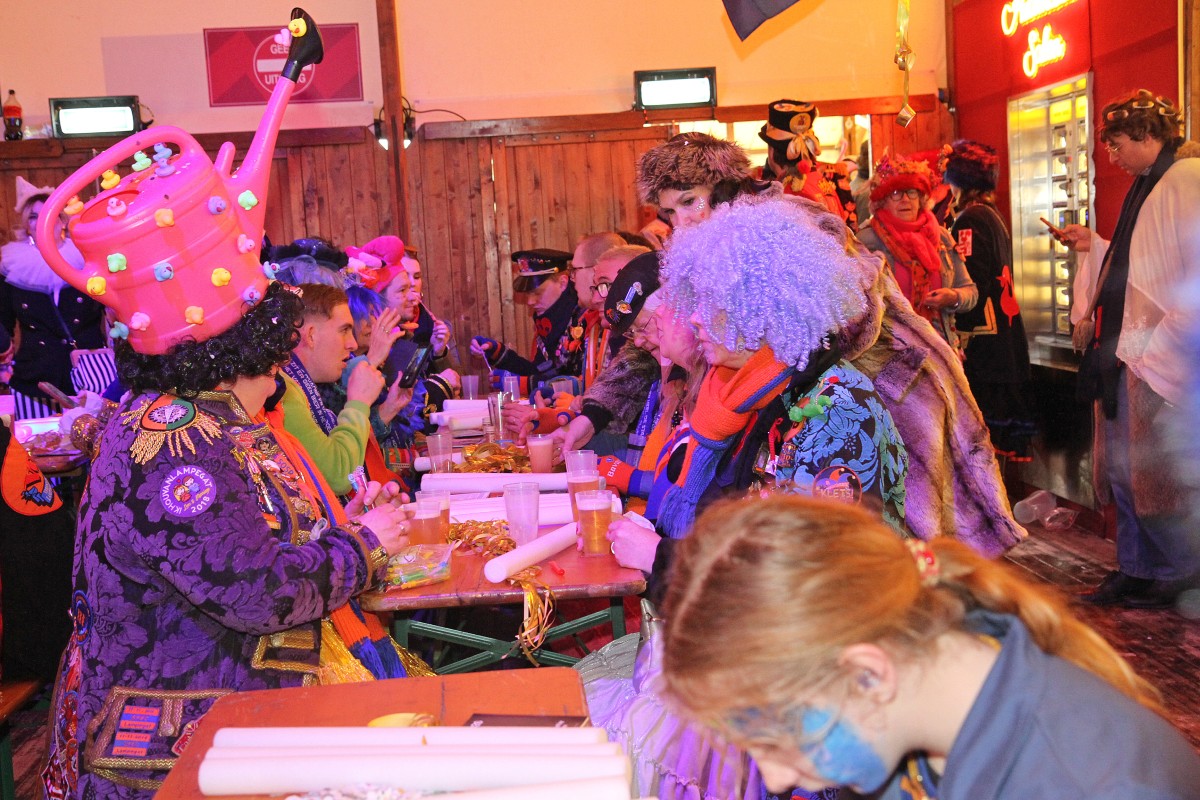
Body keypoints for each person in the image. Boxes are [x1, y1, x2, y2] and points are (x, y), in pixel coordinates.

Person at [35, 18, 426, 795]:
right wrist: (366, 544)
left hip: (225, 727)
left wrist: (340, 526)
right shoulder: (181, 443)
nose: (283, 359)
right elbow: (258, 592)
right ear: (250, 346)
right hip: (173, 756)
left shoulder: (209, 419)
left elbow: (253, 541)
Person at [634, 132, 1022, 557]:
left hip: (887, 376)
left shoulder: (785, 218)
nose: (682, 221)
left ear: (723, 185)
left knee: (906, 532)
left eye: (690, 201)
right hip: (808, 378)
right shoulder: (718, 240)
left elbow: (855, 303)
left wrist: (789, 349)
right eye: (670, 211)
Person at [659, 495, 1200, 799]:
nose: (775, 780)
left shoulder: (1090, 784)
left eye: (772, 741)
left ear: (868, 675)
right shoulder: (907, 727)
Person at [1060, 91, 1200, 608]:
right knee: (1123, 466)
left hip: (1157, 345)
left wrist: (1161, 345)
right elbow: (1138, 263)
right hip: (1128, 344)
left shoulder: (1185, 180)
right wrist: (1094, 246)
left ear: (1146, 134)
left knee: (1152, 469)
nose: (1112, 155)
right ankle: (1138, 567)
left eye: (1117, 143)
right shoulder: (1150, 181)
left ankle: (1178, 571)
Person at [941, 140, 1037, 459]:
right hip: (1004, 340)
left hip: (985, 344)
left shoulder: (970, 220)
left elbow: (973, 282)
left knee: (982, 446)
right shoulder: (991, 214)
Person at [0, 176, 107, 419]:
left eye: (49, 214)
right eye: (33, 216)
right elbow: (3, 325)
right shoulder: (12, 267)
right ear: (26, 225)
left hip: (91, 377)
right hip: (34, 380)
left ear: (62, 220)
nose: (41, 222)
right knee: (37, 441)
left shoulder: (87, 259)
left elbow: (113, 313)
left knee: (95, 439)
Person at [857, 152, 978, 350]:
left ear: (921, 198)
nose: (905, 199)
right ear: (882, 200)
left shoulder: (942, 237)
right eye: (896, 193)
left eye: (912, 192)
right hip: (889, 353)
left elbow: (970, 291)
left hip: (941, 350)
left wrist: (954, 297)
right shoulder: (867, 241)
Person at [469, 249, 585, 388]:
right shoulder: (550, 319)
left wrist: (523, 385)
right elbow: (538, 372)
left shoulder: (583, 319)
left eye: (537, 293)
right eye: (527, 294)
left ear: (562, 283)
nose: (530, 301)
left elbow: (579, 383)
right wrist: (497, 352)